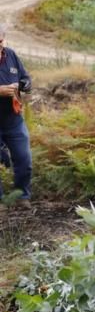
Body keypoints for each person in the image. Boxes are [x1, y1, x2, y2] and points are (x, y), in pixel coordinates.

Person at [0, 25, 32, 203]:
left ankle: (22, 197)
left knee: (24, 160)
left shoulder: (10, 55)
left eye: (0, 41)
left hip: (13, 119)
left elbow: (25, 78)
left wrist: (23, 85)